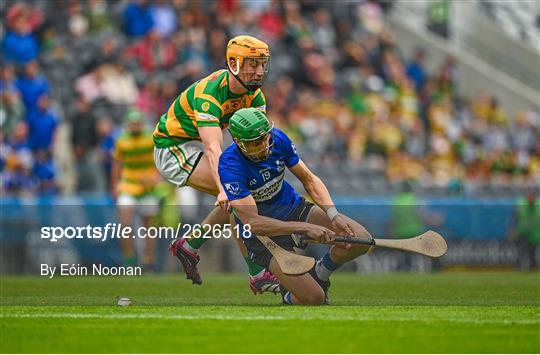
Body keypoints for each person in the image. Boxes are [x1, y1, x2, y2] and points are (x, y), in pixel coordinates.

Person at [154, 35, 278, 294]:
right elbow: (212, 147)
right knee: (237, 194)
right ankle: (256, 273)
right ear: (233, 63)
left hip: (201, 145)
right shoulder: (210, 93)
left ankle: (188, 247)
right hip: (176, 147)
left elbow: (253, 144)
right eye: (251, 64)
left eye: (261, 64)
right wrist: (224, 189)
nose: (258, 72)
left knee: (245, 190)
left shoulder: (255, 97)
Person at [218, 107, 373, 305]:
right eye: (256, 142)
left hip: (293, 208)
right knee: (314, 298)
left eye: (265, 138)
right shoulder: (230, 166)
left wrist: (334, 215)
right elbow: (252, 223)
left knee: (360, 239)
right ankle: (289, 294)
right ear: (239, 143)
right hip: (263, 236)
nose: (265, 145)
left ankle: (320, 272)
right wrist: (303, 228)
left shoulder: (277, 140)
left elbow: (308, 179)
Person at [112, 108, 160, 269]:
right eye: (132, 124)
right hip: (128, 185)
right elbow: (117, 164)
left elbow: (158, 160)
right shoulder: (121, 141)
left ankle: (149, 260)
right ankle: (129, 258)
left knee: (149, 226)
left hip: (147, 187)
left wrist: (156, 177)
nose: (134, 127)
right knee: (125, 223)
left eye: (137, 124)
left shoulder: (150, 139)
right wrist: (115, 186)